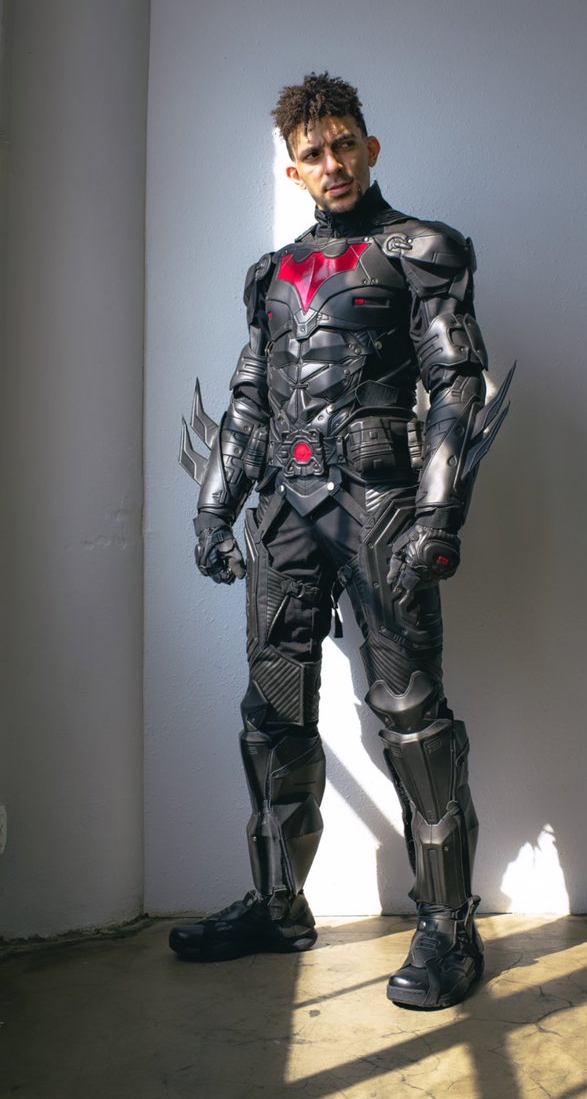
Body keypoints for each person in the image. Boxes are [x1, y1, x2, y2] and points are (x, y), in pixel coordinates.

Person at [172, 73, 512, 1009]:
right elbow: (251, 395)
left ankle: (448, 928)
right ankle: (277, 906)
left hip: (378, 505)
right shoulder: (272, 273)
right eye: (313, 153)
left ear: (370, 147)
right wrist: (213, 507)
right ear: (293, 169)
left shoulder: (420, 250)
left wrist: (438, 514)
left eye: (344, 145)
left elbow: (456, 381)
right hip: (282, 511)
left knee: (412, 715)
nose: (332, 164)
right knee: (274, 710)